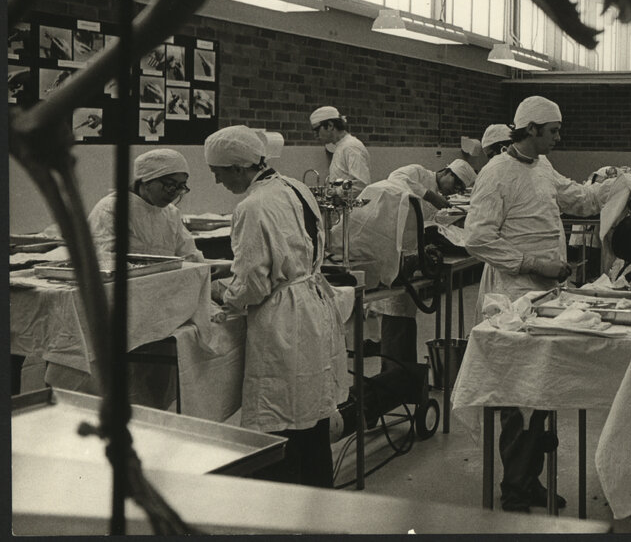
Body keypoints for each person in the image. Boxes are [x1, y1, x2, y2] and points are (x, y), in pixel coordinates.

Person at [465, 95, 623, 513]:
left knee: (542, 389)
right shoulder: (498, 173)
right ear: (531, 129)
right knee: (520, 395)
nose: (558, 136)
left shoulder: (543, 167)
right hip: (514, 297)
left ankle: (528, 477)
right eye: (553, 131)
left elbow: (580, 200)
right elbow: (478, 237)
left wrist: (623, 183)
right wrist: (533, 263)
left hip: (546, 294)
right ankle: (515, 488)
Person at [205, 125, 348, 488]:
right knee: (311, 413)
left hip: (284, 317)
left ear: (238, 168)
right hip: (310, 302)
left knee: (280, 415)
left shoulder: (252, 206)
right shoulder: (294, 187)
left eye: (218, 174)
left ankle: (283, 510)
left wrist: (223, 292)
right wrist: (236, 268)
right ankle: (319, 504)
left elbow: (253, 285)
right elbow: (293, 249)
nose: (219, 182)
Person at [370, 158, 478, 367]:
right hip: (391, 249)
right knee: (394, 311)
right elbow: (396, 181)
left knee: (405, 313)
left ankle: (402, 374)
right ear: (447, 172)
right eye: (455, 185)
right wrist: (431, 196)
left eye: (460, 189)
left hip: (409, 257)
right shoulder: (417, 172)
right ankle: (394, 375)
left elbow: (423, 225)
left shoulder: (436, 198)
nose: (454, 191)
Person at [88, 148, 204, 261]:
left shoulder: (170, 213)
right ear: (146, 181)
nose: (174, 193)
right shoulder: (111, 210)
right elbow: (103, 260)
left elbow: (189, 255)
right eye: (169, 184)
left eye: (181, 186)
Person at [310, 105, 371, 192]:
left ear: (330, 125)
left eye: (316, 130)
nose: (315, 135)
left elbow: (360, 185)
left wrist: (333, 192)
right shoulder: (341, 146)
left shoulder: (351, 147)